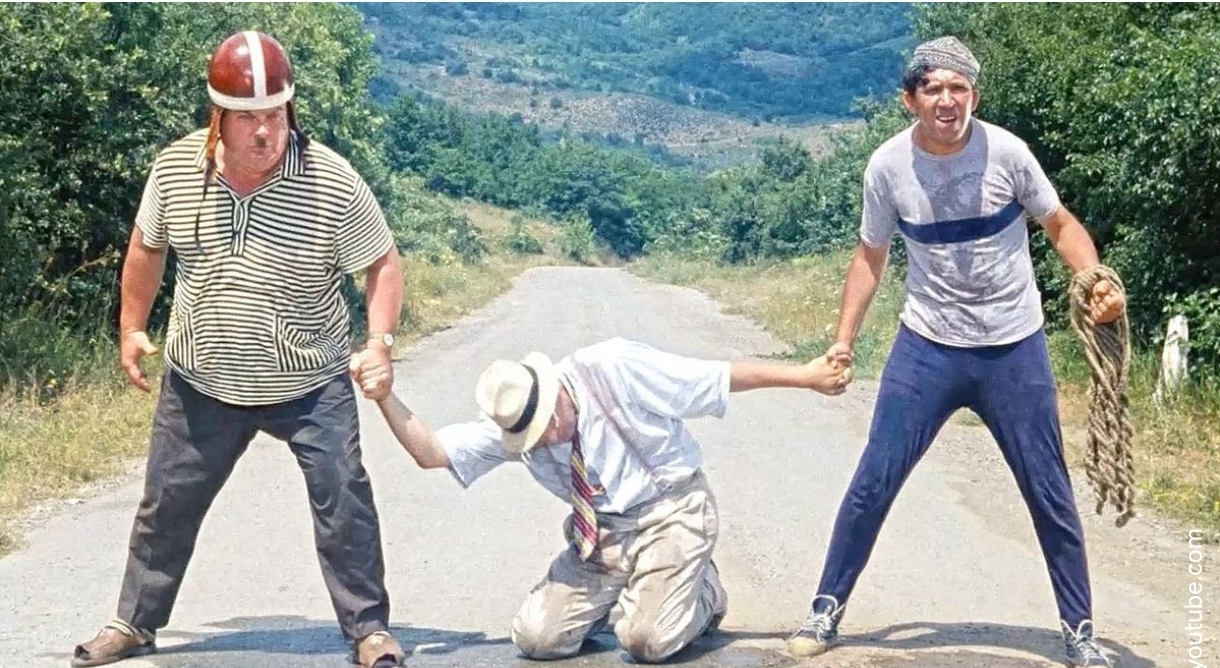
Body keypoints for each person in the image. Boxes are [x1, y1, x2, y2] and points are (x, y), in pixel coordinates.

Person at [784, 37, 1126, 668]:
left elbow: (1061, 226)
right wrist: (842, 341)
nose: (947, 99)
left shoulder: (1008, 154)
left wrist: (1096, 279)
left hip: (1012, 347)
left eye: (959, 87)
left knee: (1048, 491)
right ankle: (824, 610)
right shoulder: (887, 167)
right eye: (933, 88)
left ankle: (1079, 632)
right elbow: (870, 257)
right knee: (874, 481)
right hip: (928, 348)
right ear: (911, 99)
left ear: (975, 95)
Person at [72, 31, 408, 668]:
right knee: (165, 502)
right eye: (249, 117)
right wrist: (130, 328)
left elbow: (382, 263)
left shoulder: (331, 179)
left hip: (310, 383)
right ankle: (133, 624)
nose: (265, 130)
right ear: (218, 116)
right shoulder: (175, 169)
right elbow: (147, 248)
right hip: (203, 383)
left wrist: (380, 342)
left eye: (275, 114)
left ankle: (369, 631)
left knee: (344, 495)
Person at [350, 337, 849, 664]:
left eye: (549, 422)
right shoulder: (513, 422)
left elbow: (715, 379)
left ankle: (705, 591)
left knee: (646, 642)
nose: (546, 438)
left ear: (554, 390)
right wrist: (384, 396)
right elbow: (431, 453)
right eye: (532, 436)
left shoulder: (614, 367)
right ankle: (642, 588)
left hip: (670, 510)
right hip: (601, 536)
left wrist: (805, 375)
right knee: (537, 640)